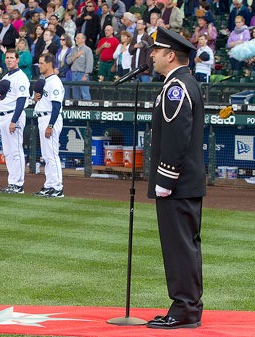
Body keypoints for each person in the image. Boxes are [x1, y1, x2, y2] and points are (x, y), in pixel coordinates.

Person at [146, 26, 206, 329]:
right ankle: (188, 306)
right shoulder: (184, 83)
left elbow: (177, 137)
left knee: (179, 247)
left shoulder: (176, 87)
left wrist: (165, 180)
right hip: (186, 184)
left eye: (156, 50)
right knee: (186, 246)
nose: (152, 55)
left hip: (178, 184)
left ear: (171, 55)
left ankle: (184, 308)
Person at [0, 49, 30, 194]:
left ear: (17, 60)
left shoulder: (21, 77)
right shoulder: (7, 75)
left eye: (12, 58)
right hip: (4, 116)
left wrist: (14, 121)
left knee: (15, 151)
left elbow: (21, 100)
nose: (9, 60)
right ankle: (12, 182)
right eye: (7, 58)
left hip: (13, 116)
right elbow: (3, 96)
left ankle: (18, 184)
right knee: (8, 152)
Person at [33, 53, 64, 198]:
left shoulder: (54, 82)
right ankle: (49, 185)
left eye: (41, 63)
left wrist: (50, 125)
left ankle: (57, 187)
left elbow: (57, 106)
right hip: (42, 117)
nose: (39, 65)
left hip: (51, 118)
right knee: (47, 155)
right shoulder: (45, 81)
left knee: (52, 154)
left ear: (49, 64)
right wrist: (35, 99)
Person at [66, 33, 93, 100]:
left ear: (83, 39)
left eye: (78, 38)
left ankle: (87, 109)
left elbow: (89, 63)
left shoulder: (87, 50)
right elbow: (68, 61)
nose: (76, 39)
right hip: (74, 73)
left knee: (85, 94)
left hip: (82, 73)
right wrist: (75, 56)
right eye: (76, 38)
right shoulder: (73, 50)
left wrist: (86, 74)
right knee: (75, 94)